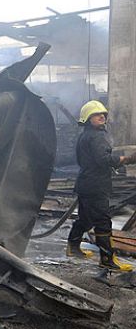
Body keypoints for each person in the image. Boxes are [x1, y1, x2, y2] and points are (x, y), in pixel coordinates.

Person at [66, 100, 135, 272]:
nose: (102, 116)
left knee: (86, 218)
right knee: (103, 222)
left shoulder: (85, 135)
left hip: (86, 183)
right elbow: (103, 160)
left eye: (103, 114)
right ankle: (107, 260)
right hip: (96, 186)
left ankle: (73, 248)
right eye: (97, 114)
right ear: (88, 118)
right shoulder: (97, 136)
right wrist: (126, 159)